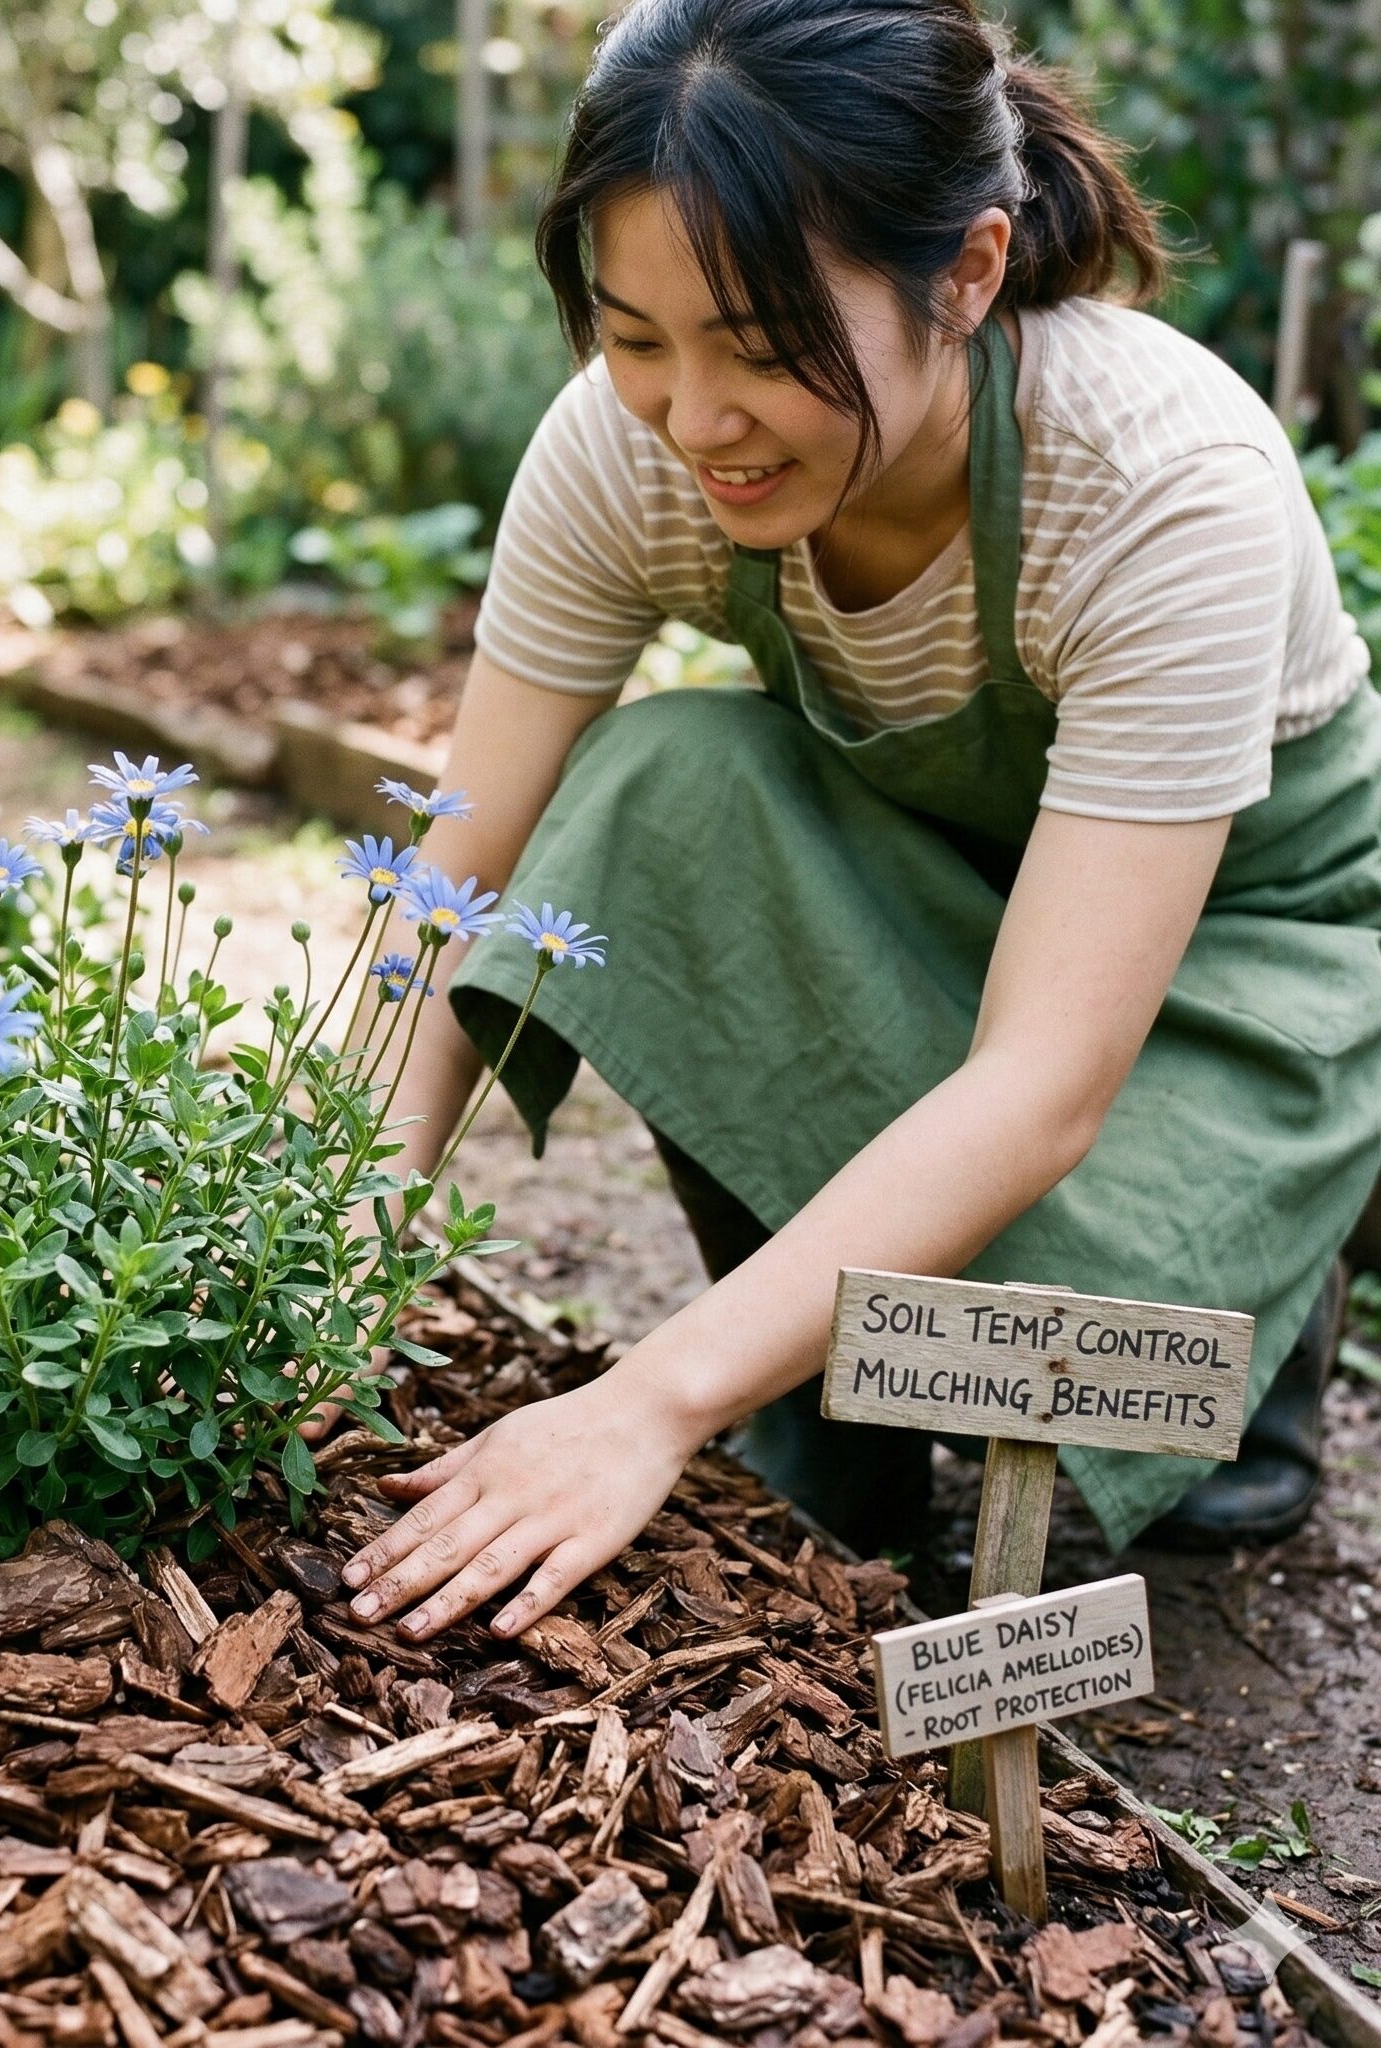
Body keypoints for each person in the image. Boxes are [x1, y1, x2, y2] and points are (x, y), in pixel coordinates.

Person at [334, 0, 1381, 1644]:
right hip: (924, 892)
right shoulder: (628, 451)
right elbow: (446, 881)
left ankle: (1255, 1321)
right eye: (635, 337)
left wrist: (647, 1401)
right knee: (662, 788)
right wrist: (336, 1234)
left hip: (1228, 970)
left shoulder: (1160, 487)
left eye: (763, 347)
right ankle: (833, 1411)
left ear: (966, 273)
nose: (695, 419)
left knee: (1106, 1310)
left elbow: (1042, 1084)